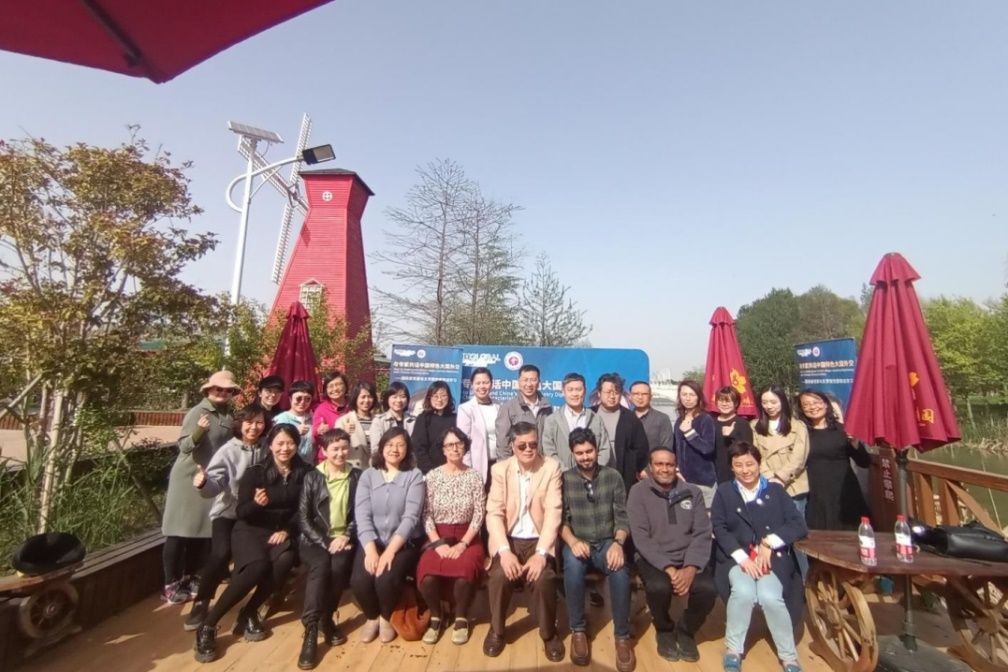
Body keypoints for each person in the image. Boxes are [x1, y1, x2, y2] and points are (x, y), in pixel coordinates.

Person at [194, 424, 311, 663]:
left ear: (297, 445)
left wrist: (287, 530)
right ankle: (208, 624)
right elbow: (242, 512)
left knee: (285, 560)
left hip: (281, 532)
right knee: (257, 566)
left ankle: (249, 612)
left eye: (290, 443)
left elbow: (304, 511)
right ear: (271, 445)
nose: (285, 448)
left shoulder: (306, 473)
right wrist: (257, 504)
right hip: (250, 530)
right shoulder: (255, 473)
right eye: (280, 443)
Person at [711, 441, 807, 672]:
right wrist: (742, 558)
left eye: (750, 464)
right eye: (738, 465)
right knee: (743, 592)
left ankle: (789, 657)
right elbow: (719, 528)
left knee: (769, 595)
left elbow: (798, 525)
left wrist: (769, 542)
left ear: (759, 464)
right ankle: (734, 650)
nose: (745, 470)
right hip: (737, 559)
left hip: (772, 559)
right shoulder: (725, 492)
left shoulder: (776, 491)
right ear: (731, 467)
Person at [483, 421, 565, 662]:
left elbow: (553, 513)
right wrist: (504, 551)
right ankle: (497, 630)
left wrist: (541, 554)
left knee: (544, 579)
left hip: (539, 539)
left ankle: (549, 633)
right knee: (499, 576)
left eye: (533, 444)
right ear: (512, 446)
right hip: (509, 539)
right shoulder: (500, 470)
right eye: (522, 446)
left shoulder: (551, 467)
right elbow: (494, 513)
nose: (529, 449)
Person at [626, 447, 716, 664]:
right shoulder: (638, 492)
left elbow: (702, 532)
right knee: (659, 587)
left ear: (676, 467)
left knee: (708, 589)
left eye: (669, 464)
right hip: (653, 557)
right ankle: (664, 628)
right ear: (650, 467)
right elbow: (641, 537)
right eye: (659, 464)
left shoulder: (692, 492)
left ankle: (686, 630)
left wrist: (691, 568)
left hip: (687, 557)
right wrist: (669, 568)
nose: (665, 469)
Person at [186, 405, 268, 630]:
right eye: (249, 422)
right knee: (221, 553)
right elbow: (214, 485)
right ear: (240, 424)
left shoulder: (267, 448)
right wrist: (204, 483)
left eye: (259, 422)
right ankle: (202, 600)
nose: (254, 427)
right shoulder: (228, 451)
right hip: (228, 512)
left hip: (254, 514)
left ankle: (252, 602)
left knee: (256, 557)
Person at [162, 370, 241, 605]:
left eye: (228, 390)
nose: (223, 393)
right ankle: (170, 584)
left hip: (210, 478)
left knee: (201, 531)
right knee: (178, 531)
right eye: (218, 389)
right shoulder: (198, 412)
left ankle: (191, 577)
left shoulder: (228, 414)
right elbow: (184, 446)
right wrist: (199, 431)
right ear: (208, 390)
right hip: (188, 477)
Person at [560, 428, 635, 672]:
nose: (585, 457)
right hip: (578, 542)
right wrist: (572, 541)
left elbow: (622, 518)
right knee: (572, 568)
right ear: (572, 454)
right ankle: (578, 630)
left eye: (589, 451)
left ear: (596, 450)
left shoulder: (613, 476)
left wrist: (618, 544)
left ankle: (622, 636)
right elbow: (560, 521)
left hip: (606, 542)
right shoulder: (565, 480)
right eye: (579, 453)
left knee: (620, 570)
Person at [350, 427, 426, 644]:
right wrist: (371, 550)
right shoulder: (368, 475)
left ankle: (385, 617)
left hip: (403, 542)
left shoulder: (414, 476)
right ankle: (372, 616)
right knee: (360, 580)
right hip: (372, 541)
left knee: (385, 579)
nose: (395, 449)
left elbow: (411, 517)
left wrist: (390, 551)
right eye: (390, 444)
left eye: (400, 445)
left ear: (407, 449)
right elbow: (362, 514)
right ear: (381, 447)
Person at [296, 429, 362, 670]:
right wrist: (325, 542)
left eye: (344, 448)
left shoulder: (357, 476)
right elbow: (303, 518)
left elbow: (360, 513)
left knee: (339, 567)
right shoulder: (312, 477)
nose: (340, 453)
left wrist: (346, 535)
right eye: (335, 449)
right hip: (315, 540)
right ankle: (311, 629)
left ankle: (327, 617)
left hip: (343, 538)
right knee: (321, 566)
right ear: (324, 451)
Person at [415, 427, 486, 645]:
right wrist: (437, 543)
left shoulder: (474, 476)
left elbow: (479, 513)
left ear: (465, 447)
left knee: (465, 572)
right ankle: (437, 616)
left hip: (468, 536)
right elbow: (426, 514)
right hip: (438, 535)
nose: (455, 449)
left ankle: (461, 617)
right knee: (427, 574)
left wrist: (463, 544)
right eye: (450, 445)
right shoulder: (433, 477)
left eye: (459, 444)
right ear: (443, 449)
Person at [796, 389, 870, 530]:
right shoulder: (801, 433)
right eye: (806, 404)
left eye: (816, 402)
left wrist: (855, 443)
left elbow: (864, 462)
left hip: (844, 490)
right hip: (815, 491)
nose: (812, 407)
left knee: (849, 533)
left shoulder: (843, 430)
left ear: (826, 404)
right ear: (801, 409)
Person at [592, 373, 649, 494]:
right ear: (599, 393)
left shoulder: (630, 418)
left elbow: (641, 449)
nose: (612, 396)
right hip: (593, 477)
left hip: (622, 480)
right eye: (608, 392)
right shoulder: (589, 415)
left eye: (616, 392)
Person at [542, 372, 609, 469]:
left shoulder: (596, 419)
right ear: (563, 392)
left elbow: (604, 449)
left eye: (578, 389)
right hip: (562, 475)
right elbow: (549, 451)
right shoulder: (552, 420)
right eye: (570, 390)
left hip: (592, 475)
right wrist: (566, 473)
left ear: (584, 391)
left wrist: (593, 470)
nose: (575, 394)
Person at [493, 364, 553, 461]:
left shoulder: (547, 407)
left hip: (542, 463)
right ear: (519, 382)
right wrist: (505, 466)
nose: (529, 384)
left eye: (533, 380)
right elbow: (503, 443)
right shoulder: (508, 408)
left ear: (539, 382)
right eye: (525, 380)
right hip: (519, 464)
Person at [673, 379, 718, 508]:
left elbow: (708, 448)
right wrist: (676, 470)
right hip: (683, 481)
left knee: (705, 517)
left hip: (703, 482)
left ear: (698, 397)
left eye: (692, 395)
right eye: (684, 394)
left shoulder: (705, 419)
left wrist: (689, 433)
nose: (688, 398)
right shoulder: (679, 420)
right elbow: (676, 449)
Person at [456, 366, 500, 483]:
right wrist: (467, 470)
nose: (482, 386)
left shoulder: (499, 406)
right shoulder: (466, 409)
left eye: (485, 382)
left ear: (491, 384)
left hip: (499, 464)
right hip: (478, 465)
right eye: (478, 383)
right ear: (472, 385)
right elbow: (463, 442)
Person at [413, 381, 458, 474]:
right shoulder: (423, 419)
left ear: (449, 397)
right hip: (429, 471)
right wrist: (431, 471)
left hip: (453, 469)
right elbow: (418, 447)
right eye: (435, 396)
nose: (439, 399)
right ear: (429, 398)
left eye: (443, 396)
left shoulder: (455, 418)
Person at [331, 382, 379, 468]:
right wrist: (345, 433)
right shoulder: (344, 420)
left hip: (375, 468)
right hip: (353, 468)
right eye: (363, 397)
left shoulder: (378, 420)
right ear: (355, 398)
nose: (366, 400)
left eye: (370, 397)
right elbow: (335, 446)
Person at [713, 386, 754, 484]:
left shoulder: (742, 424)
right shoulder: (711, 423)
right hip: (714, 475)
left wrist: (732, 436)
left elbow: (747, 451)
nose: (724, 404)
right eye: (721, 400)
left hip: (735, 475)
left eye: (728, 401)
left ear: (736, 403)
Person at [273, 380, 316, 462]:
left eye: (307, 399)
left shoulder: (313, 418)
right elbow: (274, 444)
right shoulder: (280, 419)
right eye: (298, 398)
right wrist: (295, 433)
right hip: (288, 464)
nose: (302, 402)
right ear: (290, 398)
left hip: (309, 465)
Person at [629, 380, 674, 452]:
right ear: (630, 396)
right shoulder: (625, 418)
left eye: (644, 394)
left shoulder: (662, 418)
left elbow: (666, 447)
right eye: (636, 394)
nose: (640, 397)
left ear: (650, 396)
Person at [368, 381, 417, 446]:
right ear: (387, 399)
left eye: (402, 396)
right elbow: (376, 447)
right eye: (394, 397)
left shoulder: (414, 421)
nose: (399, 400)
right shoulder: (379, 421)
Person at [313, 371, 351, 447]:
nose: (335, 389)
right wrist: (319, 430)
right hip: (331, 451)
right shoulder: (321, 409)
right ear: (326, 390)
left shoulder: (353, 405)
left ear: (346, 386)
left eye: (338, 384)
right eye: (330, 386)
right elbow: (315, 433)